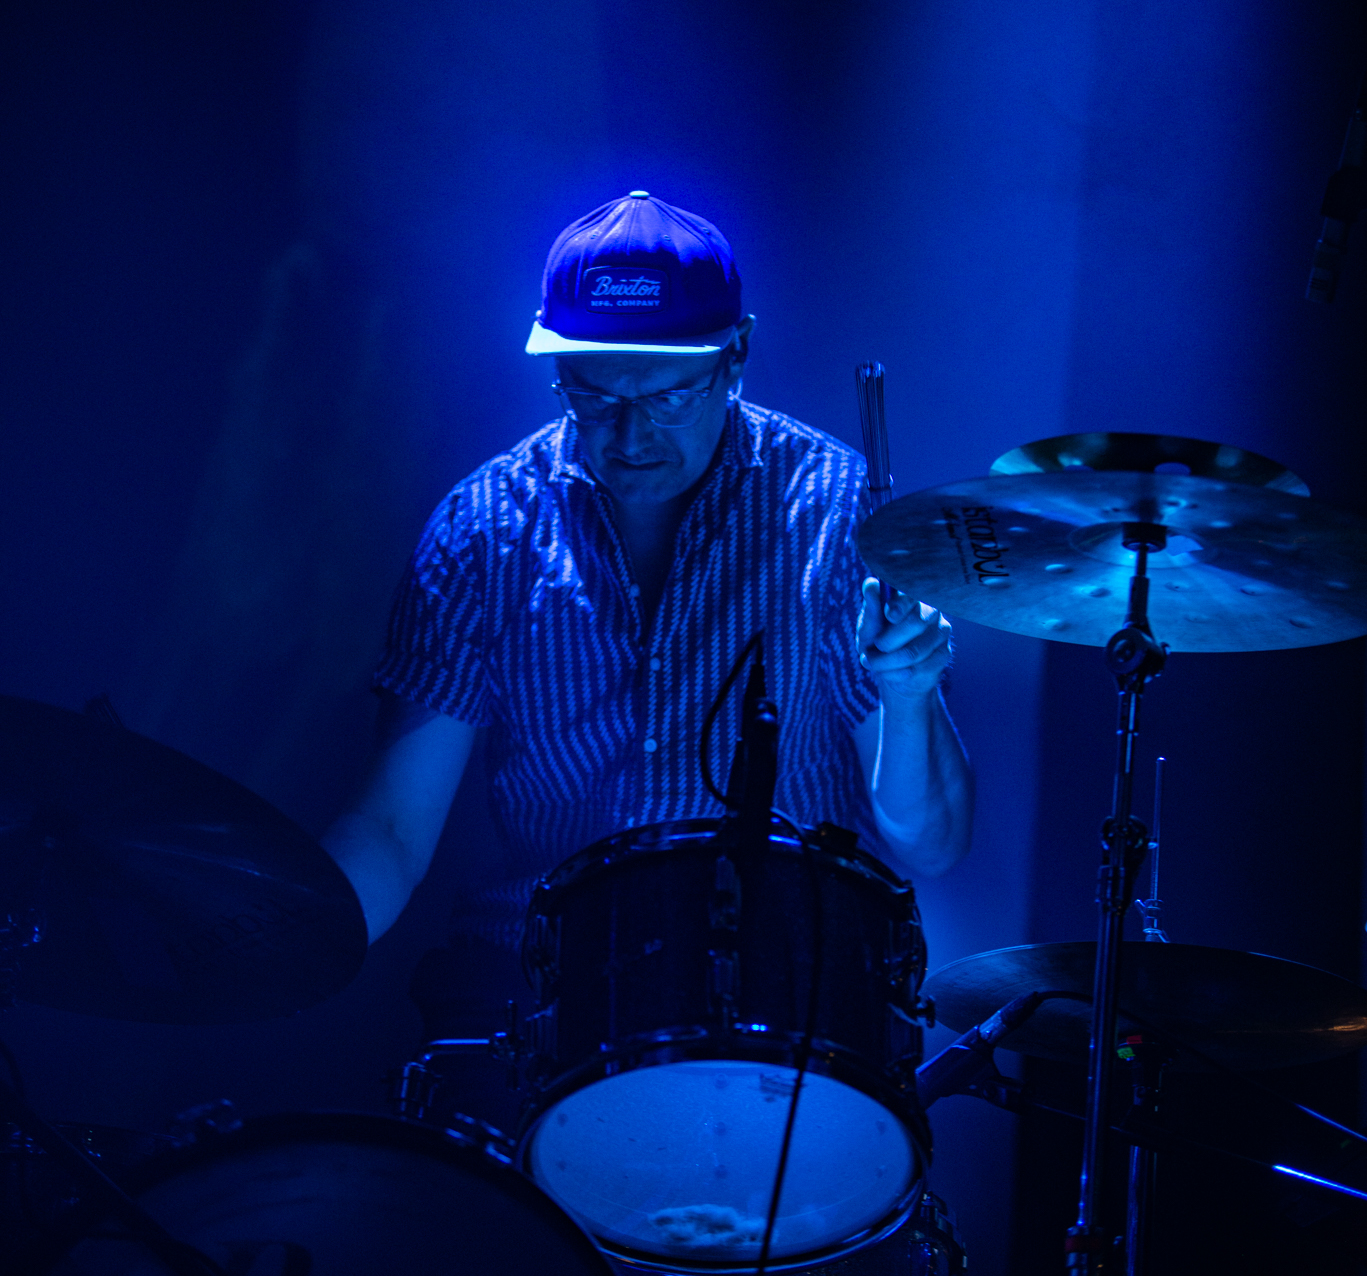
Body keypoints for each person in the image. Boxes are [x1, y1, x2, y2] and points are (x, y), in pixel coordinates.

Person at [324, 192, 972, 1048]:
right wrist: (281, 940)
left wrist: (910, 696)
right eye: (594, 399)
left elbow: (930, 845)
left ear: (735, 356)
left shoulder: (831, 507)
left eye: (668, 399)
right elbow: (390, 830)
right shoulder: (482, 528)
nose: (630, 438)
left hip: (784, 987)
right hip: (539, 984)